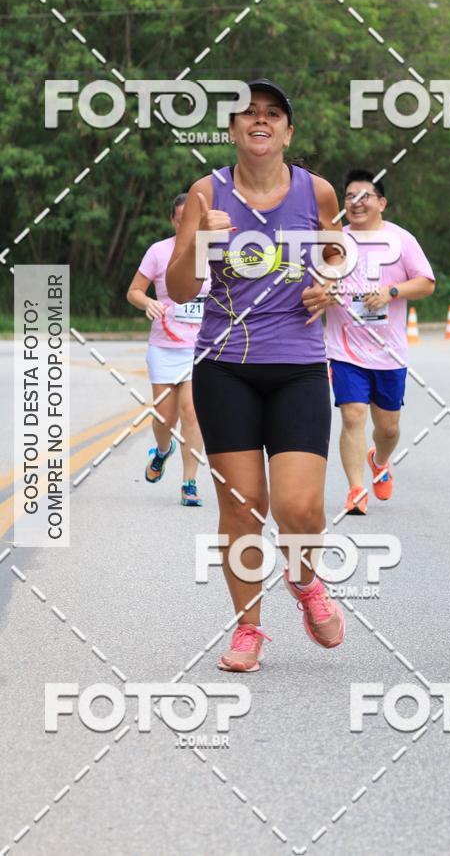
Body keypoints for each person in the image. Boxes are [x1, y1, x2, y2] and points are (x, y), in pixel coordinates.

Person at [166, 79, 346, 671]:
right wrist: (202, 242)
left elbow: (334, 254)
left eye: (273, 114)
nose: (260, 121)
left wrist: (328, 287)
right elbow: (181, 289)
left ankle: (303, 579)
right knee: (242, 508)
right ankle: (248, 631)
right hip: (225, 369)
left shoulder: (316, 192)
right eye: (248, 114)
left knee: (301, 510)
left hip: (297, 368)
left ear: (288, 132)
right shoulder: (205, 192)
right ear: (233, 131)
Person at [325, 169, 435, 515]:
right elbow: (314, 284)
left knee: (387, 428)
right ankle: (356, 489)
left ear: (382, 203)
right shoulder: (334, 242)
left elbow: (426, 283)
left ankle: (381, 459)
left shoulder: (401, 240)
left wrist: (391, 292)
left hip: (388, 354)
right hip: (343, 349)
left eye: (364, 196)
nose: (356, 203)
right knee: (353, 415)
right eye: (349, 197)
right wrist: (323, 294)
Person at [127, 193, 209, 506]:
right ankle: (162, 451)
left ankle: (189, 483)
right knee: (165, 417)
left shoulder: (212, 252)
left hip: (198, 348)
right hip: (163, 346)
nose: (187, 222)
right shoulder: (159, 252)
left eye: (194, 217)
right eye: (180, 217)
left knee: (192, 412)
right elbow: (133, 291)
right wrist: (147, 301)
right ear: (174, 220)